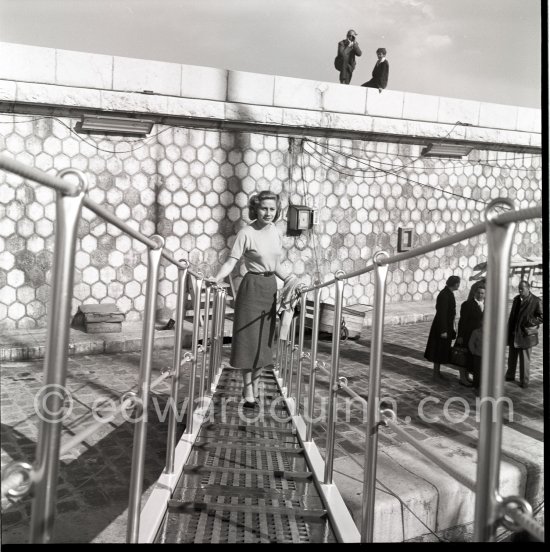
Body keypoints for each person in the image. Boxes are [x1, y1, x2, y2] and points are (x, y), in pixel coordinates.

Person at [211, 191, 291, 407]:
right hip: (251, 288)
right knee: (249, 339)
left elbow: (275, 266)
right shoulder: (246, 233)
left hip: (270, 288)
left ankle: (255, 387)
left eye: (272, 209)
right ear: (255, 209)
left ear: (277, 211)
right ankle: (248, 393)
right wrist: (215, 278)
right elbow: (231, 262)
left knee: (263, 340)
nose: (268, 213)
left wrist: (293, 280)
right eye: (264, 208)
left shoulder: (275, 231)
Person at [505, 280, 543, 388]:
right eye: (519, 289)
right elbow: (512, 316)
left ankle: (524, 381)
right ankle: (509, 375)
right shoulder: (517, 299)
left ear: (528, 288)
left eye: (522, 289)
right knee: (511, 357)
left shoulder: (536, 300)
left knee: (524, 359)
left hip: (526, 334)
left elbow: (542, 317)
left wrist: (529, 322)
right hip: (514, 332)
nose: (520, 291)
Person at [424, 275, 461, 380]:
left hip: (446, 326)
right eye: (458, 283)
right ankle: (436, 374)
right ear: (455, 284)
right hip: (442, 327)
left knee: (442, 350)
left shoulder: (448, 293)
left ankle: (437, 373)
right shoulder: (445, 295)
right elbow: (442, 313)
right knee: (438, 350)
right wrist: (443, 330)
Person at [455, 284, 485, 386]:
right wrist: (460, 336)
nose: (480, 295)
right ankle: (462, 378)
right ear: (474, 293)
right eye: (478, 293)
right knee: (463, 355)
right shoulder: (467, 305)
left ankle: (467, 376)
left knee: (471, 357)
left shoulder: (486, 305)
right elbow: (462, 322)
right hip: (467, 334)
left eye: (482, 293)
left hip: (479, 336)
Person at [468, 322, 483, 393]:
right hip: (478, 356)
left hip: (487, 357)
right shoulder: (476, 332)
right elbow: (471, 343)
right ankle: (475, 386)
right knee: (477, 372)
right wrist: (474, 352)